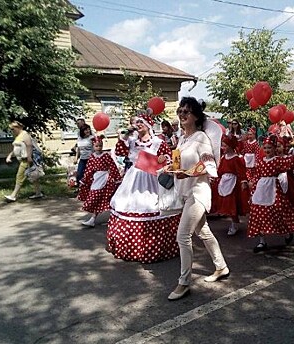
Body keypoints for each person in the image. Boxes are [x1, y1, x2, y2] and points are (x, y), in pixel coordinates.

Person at [167, 97, 229, 301]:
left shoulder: (201, 137)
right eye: (180, 110)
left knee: (182, 236)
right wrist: (168, 166)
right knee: (203, 231)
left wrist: (188, 173)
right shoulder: (182, 139)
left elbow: (209, 165)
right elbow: (179, 165)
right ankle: (221, 267)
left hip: (198, 192)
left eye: (187, 111)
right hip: (185, 192)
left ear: (196, 116)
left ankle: (184, 283)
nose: (182, 114)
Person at [106, 110, 180, 264]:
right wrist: (123, 138)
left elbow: (168, 159)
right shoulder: (131, 142)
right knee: (128, 205)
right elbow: (120, 153)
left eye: (141, 122)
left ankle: (156, 247)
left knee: (152, 206)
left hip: (151, 178)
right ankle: (130, 248)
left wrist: (163, 159)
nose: (137, 125)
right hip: (133, 179)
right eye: (136, 123)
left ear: (148, 125)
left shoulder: (158, 142)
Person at [247, 135, 294, 252]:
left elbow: (290, 161)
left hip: (273, 188)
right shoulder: (261, 161)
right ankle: (262, 242)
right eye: (265, 148)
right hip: (261, 190)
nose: (267, 150)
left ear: (274, 149)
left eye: (270, 148)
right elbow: (257, 177)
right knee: (257, 213)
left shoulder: (278, 160)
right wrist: (253, 192)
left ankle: (287, 232)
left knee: (280, 211)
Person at [77, 135, 122, 227]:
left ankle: (96, 219)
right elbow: (89, 169)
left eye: (100, 146)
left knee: (105, 198)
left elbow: (112, 167)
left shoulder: (105, 156)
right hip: (96, 178)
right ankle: (93, 219)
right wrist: (85, 180)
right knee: (96, 198)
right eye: (96, 146)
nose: (98, 148)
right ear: (93, 146)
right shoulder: (92, 157)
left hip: (106, 178)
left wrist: (116, 178)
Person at [210, 134, 250, 236]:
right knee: (225, 203)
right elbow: (220, 170)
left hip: (233, 183)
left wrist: (243, 182)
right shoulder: (224, 158)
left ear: (231, 146)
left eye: (225, 146)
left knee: (232, 204)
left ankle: (234, 223)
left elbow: (241, 172)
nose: (223, 148)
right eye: (222, 145)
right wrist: (215, 177)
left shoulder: (236, 159)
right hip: (224, 182)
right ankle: (234, 221)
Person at [4, 121, 43, 202]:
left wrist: (29, 157)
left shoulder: (24, 134)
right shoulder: (18, 136)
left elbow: (29, 145)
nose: (12, 131)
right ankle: (38, 193)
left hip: (26, 160)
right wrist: (10, 155)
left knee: (19, 176)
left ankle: (13, 195)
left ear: (18, 127)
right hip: (22, 159)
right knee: (33, 176)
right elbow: (16, 148)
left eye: (12, 129)